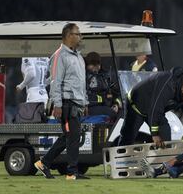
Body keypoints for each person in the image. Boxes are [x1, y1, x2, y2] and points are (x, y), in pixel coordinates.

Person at [34, 23, 89, 180]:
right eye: (77, 34)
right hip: (66, 102)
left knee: (70, 136)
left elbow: (81, 82)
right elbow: (55, 82)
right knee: (72, 136)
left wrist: (84, 102)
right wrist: (57, 104)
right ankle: (71, 172)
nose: (80, 37)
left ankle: (44, 163)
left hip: (76, 102)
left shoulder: (78, 56)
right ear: (69, 36)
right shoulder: (59, 56)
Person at [118, 67, 183, 147]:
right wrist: (155, 134)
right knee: (128, 136)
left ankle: (163, 159)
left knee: (165, 135)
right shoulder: (168, 85)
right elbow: (155, 109)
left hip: (154, 109)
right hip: (136, 105)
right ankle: (121, 158)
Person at [85, 51, 121, 120]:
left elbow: (115, 93)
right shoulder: (84, 77)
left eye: (97, 64)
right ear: (87, 65)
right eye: (92, 64)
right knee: (110, 112)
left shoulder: (105, 76)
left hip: (106, 105)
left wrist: (116, 104)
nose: (95, 67)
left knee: (123, 112)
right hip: (91, 107)